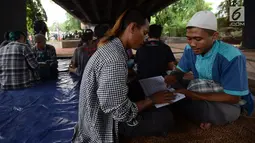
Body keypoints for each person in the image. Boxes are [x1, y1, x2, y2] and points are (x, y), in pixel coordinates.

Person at [72, 10, 175, 143]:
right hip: (102, 125)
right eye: (144, 33)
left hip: (97, 114)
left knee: (138, 86)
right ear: (132, 28)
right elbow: (120, 113)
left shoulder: (112, 48)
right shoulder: (115, 59)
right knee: (166, 118)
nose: (145, 39)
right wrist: (152, 100)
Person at [164, 11, 254, 130]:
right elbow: (180, 70)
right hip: (200, 89)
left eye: (198, 39)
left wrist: (194, 95)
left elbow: (233, 97)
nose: (192, 44)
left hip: (225, 99)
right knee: (175, 86)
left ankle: (190, 110)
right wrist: (171, 78)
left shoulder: (232, 56)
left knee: (225, 112)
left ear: (214, 36)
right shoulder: (189, 49)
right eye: (189, 39)